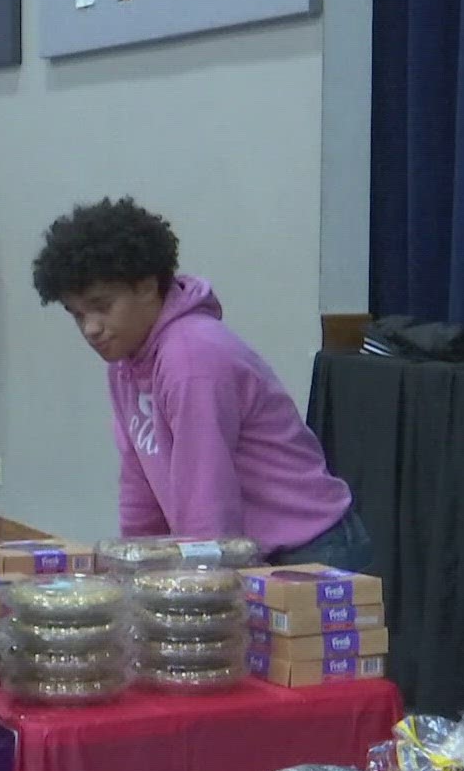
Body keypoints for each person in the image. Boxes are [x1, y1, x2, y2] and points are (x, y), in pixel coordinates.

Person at [32, 196, 374, 571]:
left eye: (102, 306)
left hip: (309, 550)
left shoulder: (192, 356)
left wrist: (199, 595)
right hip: (240, 549)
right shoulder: (125, 364)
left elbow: (206, 497)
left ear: (147, 287)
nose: (90, 328)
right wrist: (134, 570)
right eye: (77, 314)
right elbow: (139, 485)